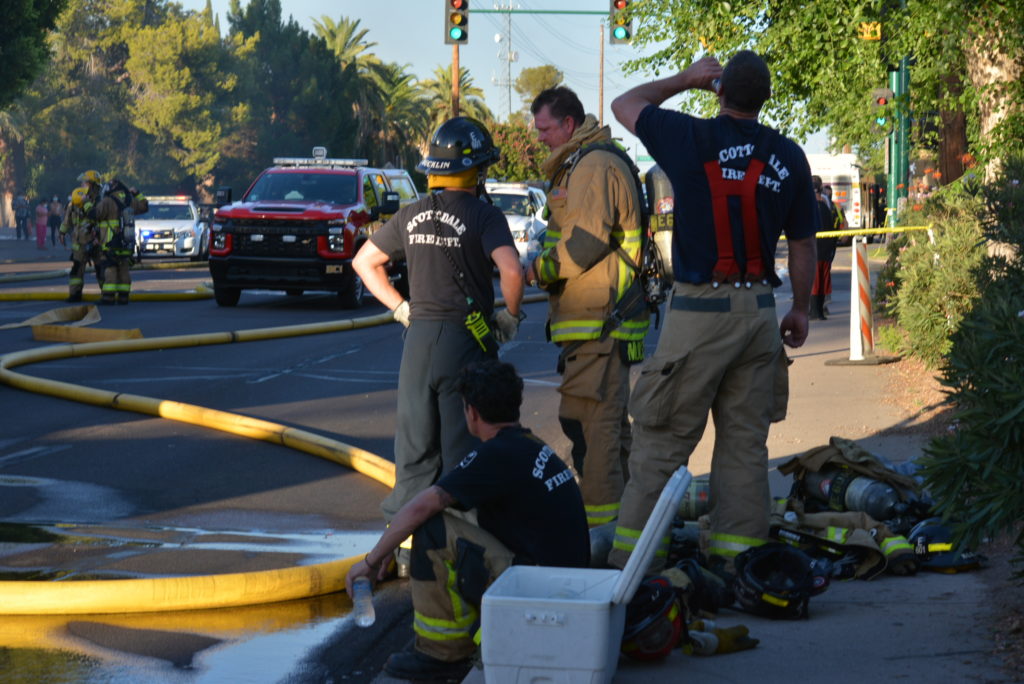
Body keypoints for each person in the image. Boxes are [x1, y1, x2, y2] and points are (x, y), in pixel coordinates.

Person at [606, 51, 819, 572]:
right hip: (759, 314)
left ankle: (634, 570)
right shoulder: (789, 156)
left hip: (699, 313)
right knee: (745, 446)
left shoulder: (688, 137)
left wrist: (686, 78)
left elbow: (625, 103)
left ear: (719, 91)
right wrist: (800, 308)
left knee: (661, 443)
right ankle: (738, 565)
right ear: (766, 99)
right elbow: (804, 244)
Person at [345, 360, 589, 681]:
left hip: (538, 588)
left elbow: (421, 507)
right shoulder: (529, 445)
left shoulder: (495, 455)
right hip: (565, 584)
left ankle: (441, 654)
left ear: (471, 412)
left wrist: (372, 559)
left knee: (432, 529)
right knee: (453, 512)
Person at [352, 117, 525, 524]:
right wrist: (511, 314)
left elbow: (364, 262)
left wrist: (401, 308)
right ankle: (463, 539)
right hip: (465, 342)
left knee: (414, 450)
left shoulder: (410, 214)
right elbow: (512, 271)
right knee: (462, 450)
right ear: (477, 171)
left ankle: (407, 539)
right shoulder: (485, 216)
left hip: (418, 341)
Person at [523, 86, 648, 528]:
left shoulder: (594, 165)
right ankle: (628, 523)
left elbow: (586, 241)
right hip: (596, 325)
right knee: (601, 428)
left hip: (602, 323)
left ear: (569, 124)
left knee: (594, 433)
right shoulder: (582, 163)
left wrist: (539, 270)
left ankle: (600, 535)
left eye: (545, 129)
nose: (539, 137)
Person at [84, 175, 148, 305]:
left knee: (110, 268)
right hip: (126, 242)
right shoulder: (130, 200)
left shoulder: (107, 201)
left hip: (110, 242)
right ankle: (124, 297)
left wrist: (86, 204)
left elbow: (94, 215)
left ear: (112, 187)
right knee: (123, 267)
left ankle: (108, 297)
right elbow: (144, 206)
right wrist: (137, 193)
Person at [59, 187, 101, 302]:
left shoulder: (96, 204)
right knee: (76, 270)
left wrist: (98, 237)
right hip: (79, 244)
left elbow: (100, 220)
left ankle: (107, 294)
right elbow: (67, 221)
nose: (78, 206)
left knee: (100, 268)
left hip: (94, 242)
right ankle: (75, 294)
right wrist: (62, 233)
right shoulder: (72, 205)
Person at [810, 179, 839, 320]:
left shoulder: (809, 208)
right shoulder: (827, 208)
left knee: (814, 283)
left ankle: (814, 312)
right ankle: (820, 312)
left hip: (813, 251)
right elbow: (834, 228)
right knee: (822, 282)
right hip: (826, 251)